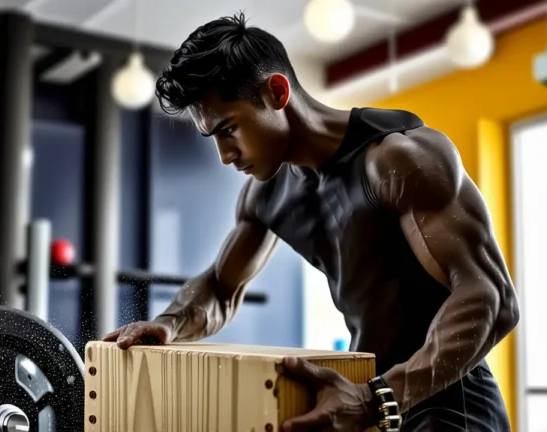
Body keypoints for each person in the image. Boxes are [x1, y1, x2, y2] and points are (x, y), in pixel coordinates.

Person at [105, 12, 519, 432]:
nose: (224, 156)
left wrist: (377, 397)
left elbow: (491, 296)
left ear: (277, 92)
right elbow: (219, 288)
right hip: (372, 398)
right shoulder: (267, 193)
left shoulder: (397, 160)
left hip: (450, 405)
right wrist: (168, 323)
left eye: (228, 129)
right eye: (213, 137)